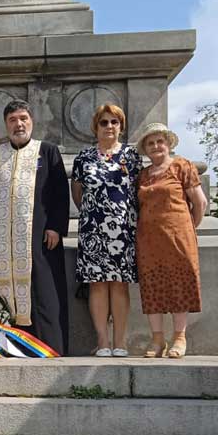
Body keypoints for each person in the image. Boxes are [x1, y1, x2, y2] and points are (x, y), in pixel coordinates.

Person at [0, 100, 70, 355]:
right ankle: (13, 347)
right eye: (12, 120)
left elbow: (60, 193)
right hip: (7, 243)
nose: (18, 124)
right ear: (6, 124)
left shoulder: (48, 152)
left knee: (44, 293)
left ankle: (51, 348)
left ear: (31, 121)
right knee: (7, 290)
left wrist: (55, 227)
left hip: (41, 238)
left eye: (23, 119)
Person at [70, 104, 142, 358]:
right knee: (98, 285)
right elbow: (77, 194)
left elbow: (138, 191)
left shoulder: (132, 157)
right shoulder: (84, 157)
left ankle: (120, 341)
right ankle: (102, 342)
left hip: (123, 229)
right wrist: (96, 213)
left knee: (119, 285)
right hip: (93, 229)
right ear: (96, 127)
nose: (109, 127)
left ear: (121, 126)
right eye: (104, 122)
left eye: (114, 122)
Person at [134, 122, 208, 359]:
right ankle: (157, 339)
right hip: (149, 240)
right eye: (150, 143)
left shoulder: (181, 166)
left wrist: (189, 227)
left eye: (160, 141)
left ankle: (179, 337)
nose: (156, 146)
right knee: (153, 286)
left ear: (168, 144)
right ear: (145, 149)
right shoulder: (143, 175)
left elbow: (200, 202)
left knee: (179, 284)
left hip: (178, 237)